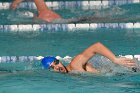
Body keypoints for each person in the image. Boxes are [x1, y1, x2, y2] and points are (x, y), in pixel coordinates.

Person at [41, 42, 136, 73]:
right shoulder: (70, 74)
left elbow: (97, 46)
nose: (57, 67)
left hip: (125, 70)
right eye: (52, 67)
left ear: (60, 61)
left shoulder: (75, 64)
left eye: (56, 62)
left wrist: (115, 60)